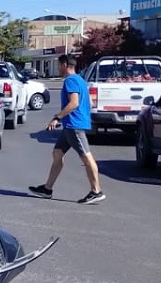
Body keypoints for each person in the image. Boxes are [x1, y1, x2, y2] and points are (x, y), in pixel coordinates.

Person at [29, 54, 104, 204]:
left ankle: (96, 191)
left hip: (74, 126)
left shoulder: (70, 80)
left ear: (64, 64)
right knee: (57, 153)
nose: (58, 68)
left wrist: (58, 117)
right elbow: (88, 101)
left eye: (59, 65)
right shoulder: (80, 80)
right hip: (70, 125)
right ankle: (47, 188)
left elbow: (74, 103)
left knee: (86, 157)